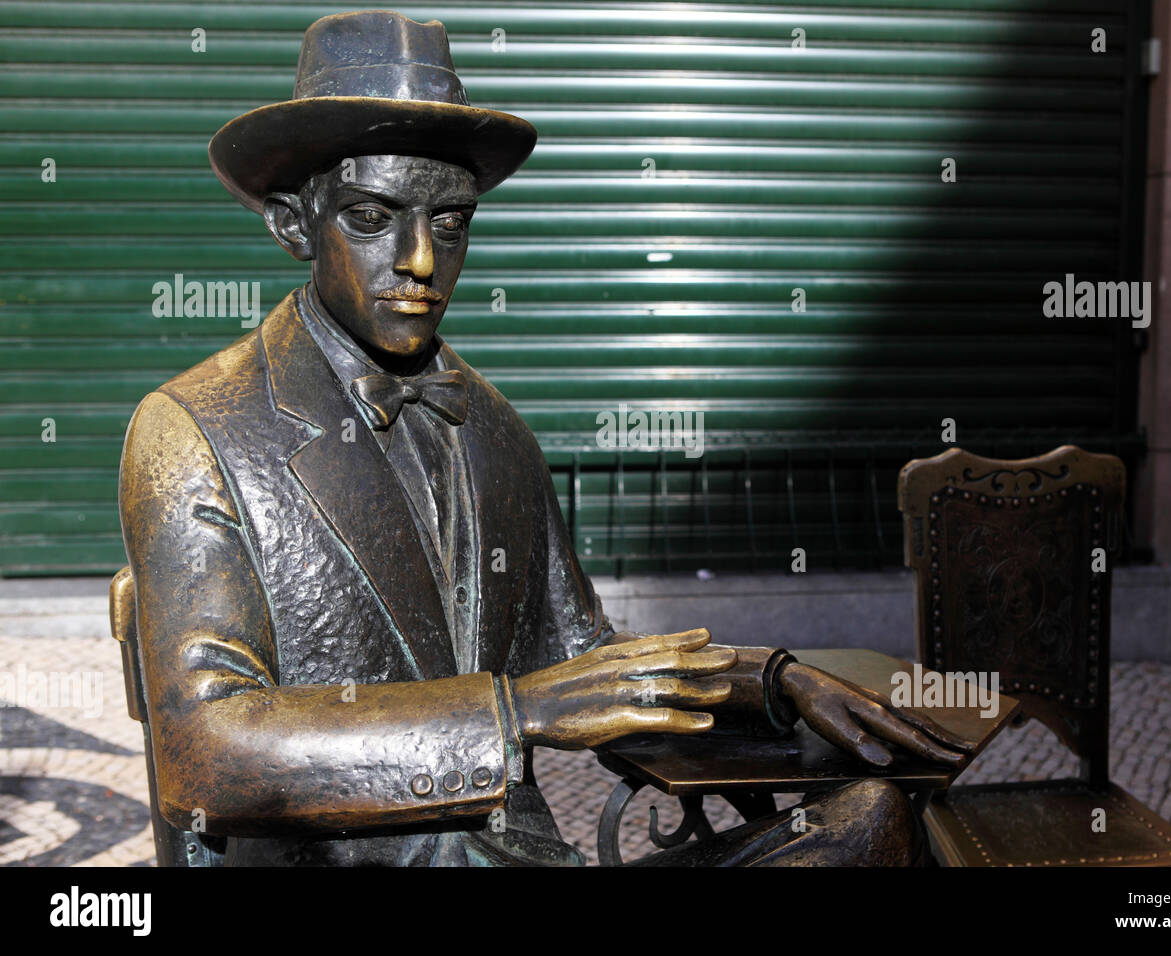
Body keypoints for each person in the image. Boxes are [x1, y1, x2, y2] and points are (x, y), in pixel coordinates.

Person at [119, 10, 968, 867]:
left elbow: (586, 660)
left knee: (867, 823)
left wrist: (772, 683)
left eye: (450, 223)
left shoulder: (492, 428)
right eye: (374, 218)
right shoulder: (199, 427)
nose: (420, 260)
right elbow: (208, 752)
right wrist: (513, 711)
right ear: (295, 226)